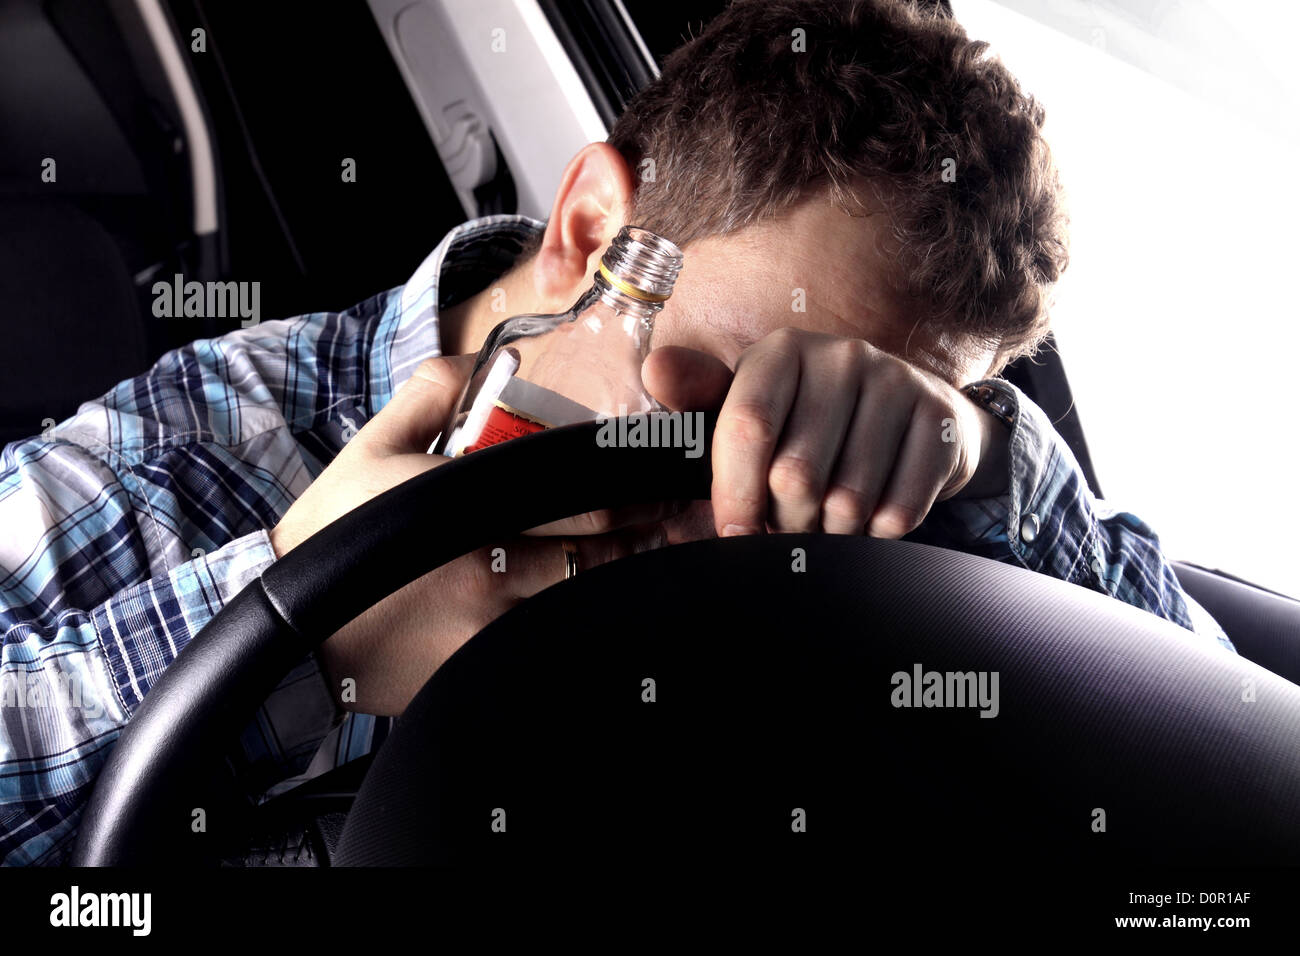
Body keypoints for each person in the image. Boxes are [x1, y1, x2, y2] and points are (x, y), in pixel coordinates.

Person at [0, 0, 1231, 865]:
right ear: (596, 236)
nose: (745, 505)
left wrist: (974, 455)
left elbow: (1219, 756)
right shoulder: (192, 452)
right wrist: (290, 639)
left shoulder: (888, 516)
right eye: (718, 402)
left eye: (832, 434)